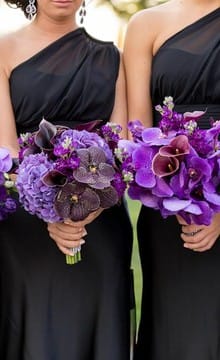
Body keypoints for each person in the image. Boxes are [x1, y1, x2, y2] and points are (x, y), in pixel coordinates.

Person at [0, 1, 133, 359]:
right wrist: (51, 213)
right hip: (27, 229)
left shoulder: (112, 58)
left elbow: (120, 149)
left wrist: (86, 211)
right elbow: (6, 153)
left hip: (99, 223)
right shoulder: (2, 51)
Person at [124, 0, 220, 359]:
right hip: (168, 205)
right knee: (177, 329)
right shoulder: (145, 25)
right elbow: (138, 128)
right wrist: (177, 197)